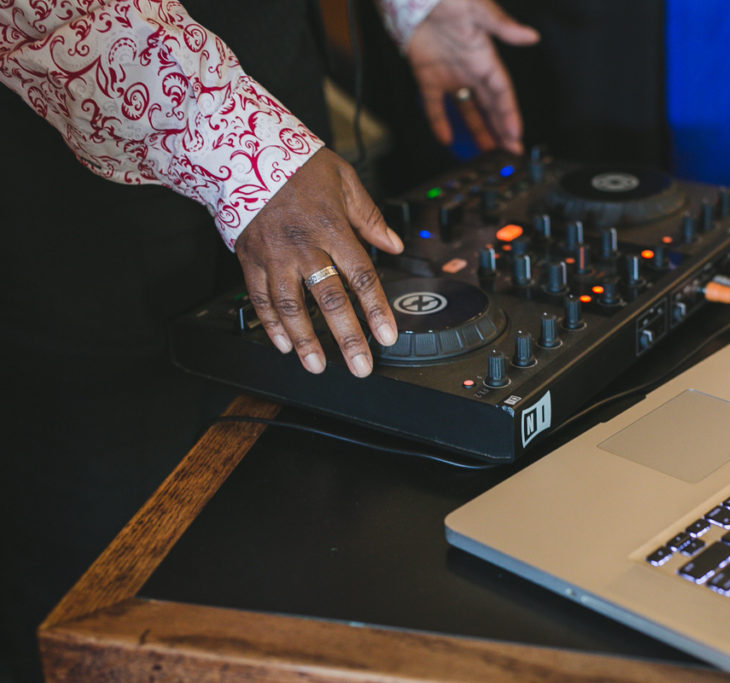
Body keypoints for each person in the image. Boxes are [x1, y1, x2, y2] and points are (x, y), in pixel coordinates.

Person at [0, 1, 537, 680]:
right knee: (104, 578)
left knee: (309, 518)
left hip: (276, 112)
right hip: (82, 182)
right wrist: (244, 154)